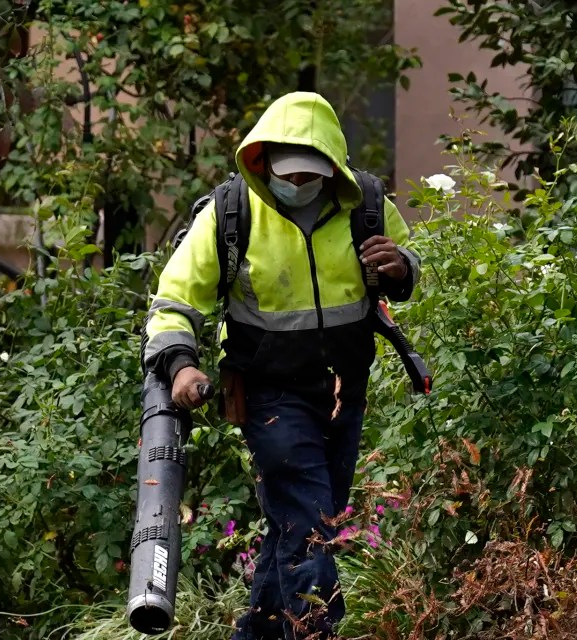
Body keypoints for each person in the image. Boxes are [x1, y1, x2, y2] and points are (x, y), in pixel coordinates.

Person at [142, 91, 420, 640]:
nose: (298, 182)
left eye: (311, 173)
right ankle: (316, 631)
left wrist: (400, 269)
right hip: (270, 398)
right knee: (313, 528)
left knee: (301, 522)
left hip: (345, 391)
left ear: (331, 168)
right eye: (288, 172)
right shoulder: (231, 212)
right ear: (261, 159)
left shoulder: (365, 203)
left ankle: (257, 633)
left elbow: (405, 267)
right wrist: (179, 365)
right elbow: (175, 300)